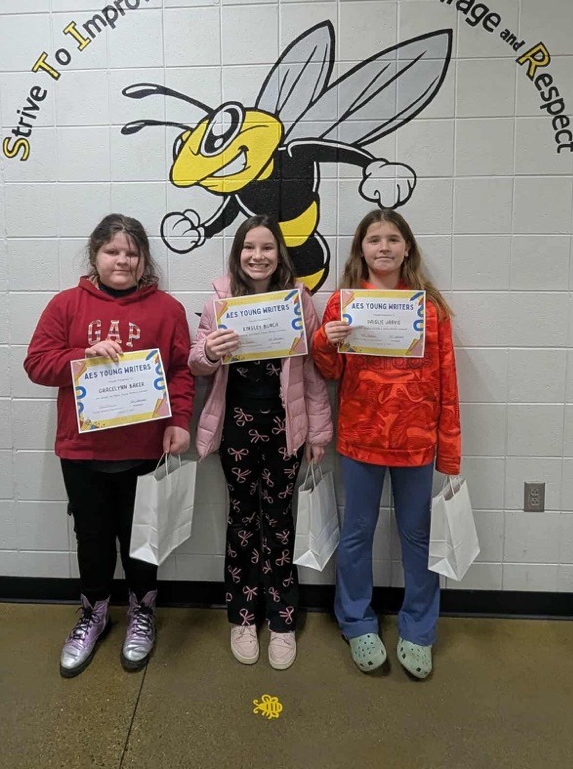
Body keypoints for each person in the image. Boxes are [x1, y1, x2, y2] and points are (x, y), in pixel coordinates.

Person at [24, 214, 194, 678]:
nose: (122, 260)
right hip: (82, 451)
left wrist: (179, 421)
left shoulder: (168, 310)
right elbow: (37, 364)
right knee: (93, 539)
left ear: (143, 260)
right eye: (112, 251)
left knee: (142, 540)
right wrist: (82, 356)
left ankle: (142, 612)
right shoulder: (66, 305)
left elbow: (180, 371)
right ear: (95, 255)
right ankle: (93, 613)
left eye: (132, 253)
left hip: (145, 448)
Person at [311, 209, 461, 679]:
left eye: (392, 239)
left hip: (416, 443)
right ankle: (356, 622)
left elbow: (447, 383)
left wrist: (450, 448)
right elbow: (330, 373)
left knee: (417, 538)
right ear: (360, 250)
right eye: (373, 239)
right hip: (361, 439)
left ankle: (419, 630)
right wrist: (325, 340)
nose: (383, 247)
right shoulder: (342, 303)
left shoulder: (430, 309)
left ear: (407, 248)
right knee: (357, 533)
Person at [189, 215, 332, 670]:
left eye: (267, 247)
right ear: (238, 252)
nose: (258, 256)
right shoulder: (219, 303)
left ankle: (283, 619)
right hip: (236, 426)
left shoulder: (299, 301)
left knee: (279, 520)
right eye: (249, 247)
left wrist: (319, 432)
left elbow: (311, 374)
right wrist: (211, 350)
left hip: (284, 428)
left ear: (279, 254)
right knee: (242, 519)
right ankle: (243, 616)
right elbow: (196, 363)